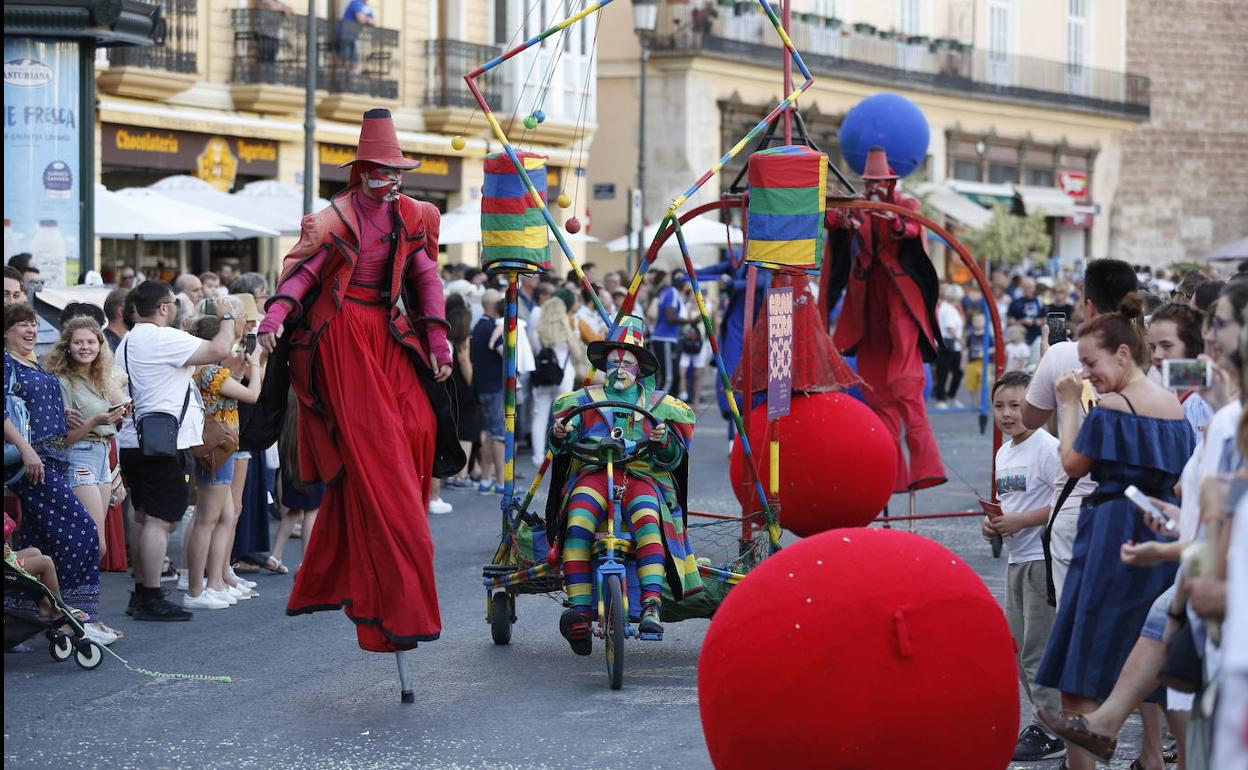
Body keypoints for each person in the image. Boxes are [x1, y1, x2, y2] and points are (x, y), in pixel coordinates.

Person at [255, 108, 464, 655]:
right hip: (343, 338)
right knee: (381, 459)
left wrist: (439, 342)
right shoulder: (333, 219)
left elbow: (424, 278)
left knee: (420, 425)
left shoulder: (414, 215)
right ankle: (394, 563)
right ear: (360, 170)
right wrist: (274, 318)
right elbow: (301, 274)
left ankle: (394, 532)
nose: (390, 178)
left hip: (388, 332)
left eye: (397, 170)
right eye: (380, 169)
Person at [1039, 281, 1248, 770]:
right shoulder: (1182, 410)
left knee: (1087, 657)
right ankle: (1154, 752)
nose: (1086, 372)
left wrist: (1070, 404)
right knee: (1158, 649)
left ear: (1122, 354)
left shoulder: (1116, 408)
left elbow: (1071, 463)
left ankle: (1110, 743)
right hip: (1165, 534)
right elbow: (1185, 486)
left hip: (1119, 532)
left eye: (1091, 362)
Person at [546, 315, 702, 651]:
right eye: (614, 362)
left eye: (627, 363)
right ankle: (580, 610)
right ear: (605, 364)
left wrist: (662, 440)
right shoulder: (582, 400)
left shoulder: (661, 406)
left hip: (642, 477)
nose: (620, 368)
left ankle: (650, 605)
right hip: (593, 475)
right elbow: (560, 444)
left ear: (640, 367)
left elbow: (675, 458)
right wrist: (560, 434)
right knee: (578, 521)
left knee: (648, 520)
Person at [824, 145, 945, 493]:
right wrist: (840, 216)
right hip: (868, 295)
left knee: (905, 378)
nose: (875, 186)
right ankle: (893, 473)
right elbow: (835, 223)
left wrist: (890, 220)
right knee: (876, 386)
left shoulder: (904, 204)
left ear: (891, 180)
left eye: (880, 181)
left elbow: (911, 229)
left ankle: (926, 465)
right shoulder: (860, 204)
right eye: (870, 181)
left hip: (898, 291)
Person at [117, 280, 236, 621]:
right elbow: (219, 351)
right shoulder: (163, 337)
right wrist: (228, 314)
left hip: (134, 441)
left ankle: (142, 591)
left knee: (142, 515)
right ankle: (151, 595)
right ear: (165, 307)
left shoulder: (128, 341)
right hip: (164, 443)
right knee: (160, 520)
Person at [1023, 258, 1140, 604]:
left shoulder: (1063, 355)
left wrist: (1048, 361)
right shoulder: (1150, 359)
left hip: (1078, 504)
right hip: (1135, 508)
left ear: (1089, 306)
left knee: (1073, 623)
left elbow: (1031, 418)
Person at [3, 303, 117, 645]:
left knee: (37, 542)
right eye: (22, 324)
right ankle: (80, 614)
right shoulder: (6, 361)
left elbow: (31, 404)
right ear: (6, 330)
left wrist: (60, 414)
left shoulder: (31, 362)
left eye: (34, 324)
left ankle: (21, 621)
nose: (31, 330)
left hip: (52, 457)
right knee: (82, 531)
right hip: (30, 462)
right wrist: (26, 450)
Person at [979, 371, 1065, 762]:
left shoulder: (1049, 448)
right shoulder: (1004, 451)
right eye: (1000, 406)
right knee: (1017, 648)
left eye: (1016, 405)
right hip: (1015, 560)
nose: (1007, 414)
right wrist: (994, 524)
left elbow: (1066, 503)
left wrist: (1022, 522)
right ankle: (1045, 722)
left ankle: (1052, 729)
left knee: (1037, 650)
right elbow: (1010, 504)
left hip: (1041, 561)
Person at [182, 313, 263, 611]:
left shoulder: (203, 369)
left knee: (220, 517)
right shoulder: (209, 373)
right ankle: (199, 585)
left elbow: (233, 380)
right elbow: (253, 394)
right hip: (218, 445)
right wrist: (254, 364)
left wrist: (243, 363)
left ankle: (214, 580)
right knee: (209, 519)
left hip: (221, 445)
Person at [46, 318, 127, 568]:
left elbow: (118, 408)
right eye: (78, 342)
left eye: (91, 342)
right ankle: (69, 600)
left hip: (103, 456)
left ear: (100, 345)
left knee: (96, 543)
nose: (85, 347)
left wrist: (119, 411)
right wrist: (96, 421)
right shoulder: (62, 381)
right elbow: (64, 438)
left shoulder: (101, 377)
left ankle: (79, 601)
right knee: (93, 542)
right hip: (78, 457)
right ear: (67, 346)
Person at [1147, 302, 1213, 435]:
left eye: (1166, 345)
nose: (1156, 355)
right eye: (1153, 347)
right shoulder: (1177, 395)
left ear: (1191, 347)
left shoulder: (1198, 402)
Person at [530, 296, 577, 465]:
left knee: (539, 415)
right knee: (564, 415)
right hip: (564, 376)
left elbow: (535, 352)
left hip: (542, 376)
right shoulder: (565, 331)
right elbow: (577, 354)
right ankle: (563, 450)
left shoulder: (537, 331)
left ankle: (538, 457)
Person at [471, 289, 506, 494]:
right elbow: (506, 356)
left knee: (488, 435)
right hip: (495, 389)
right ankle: (500, 482)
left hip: (482, 387)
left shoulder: (478, 327)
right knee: (498, 435)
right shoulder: (493, 328)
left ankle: (486, 480)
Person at [933, 284, 965, 407]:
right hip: (947, 344)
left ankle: (950, 396)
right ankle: (941, 398)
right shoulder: (947, 309)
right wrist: (960, 340)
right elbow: (950, 327)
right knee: (944, 371)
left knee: (955, 372)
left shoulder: (949, 308)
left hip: (952, 345)